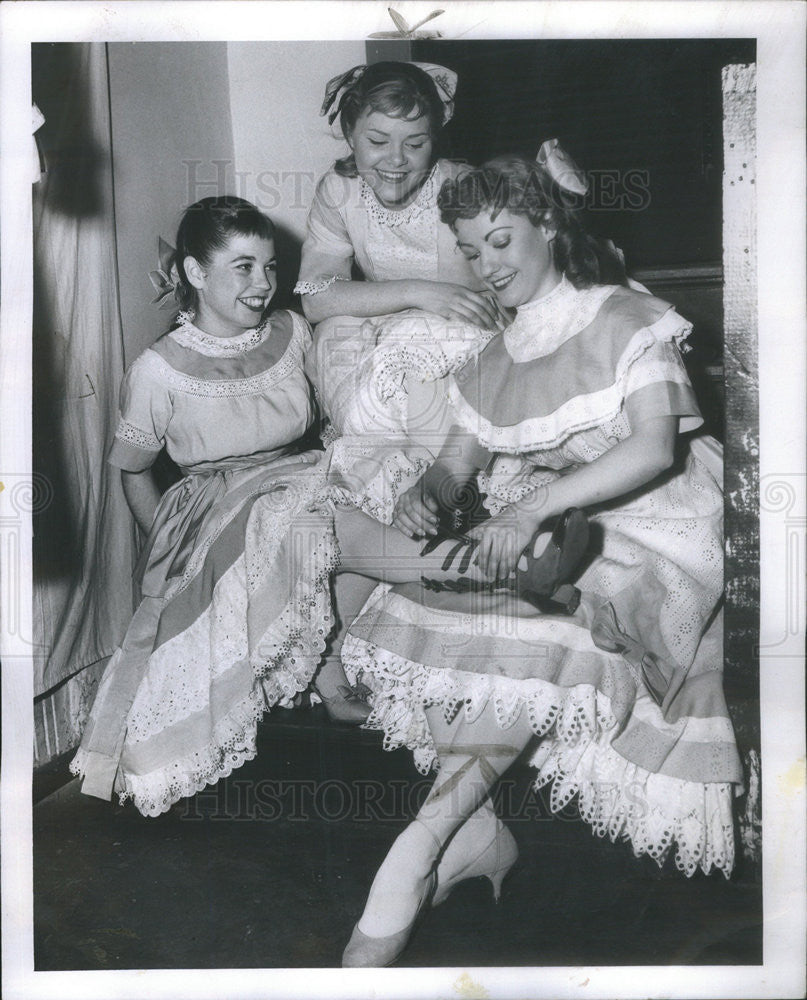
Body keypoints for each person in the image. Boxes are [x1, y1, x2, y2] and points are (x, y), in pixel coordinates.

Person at [337, 153, 744, 967]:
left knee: (539, 614)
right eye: (472, 252)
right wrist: (430, 486)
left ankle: (418, 853)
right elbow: (459, 457)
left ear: (548, 225)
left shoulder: (626, 316)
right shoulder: (496, 349)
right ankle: (461, 835)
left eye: (500, 241)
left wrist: (530, 506)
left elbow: (654, 450)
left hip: (653, 522)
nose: (488, 267)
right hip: (556, 526)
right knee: (449, 588)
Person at [70, 194, 581, 818]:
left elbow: (332, 296)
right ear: (195, 275)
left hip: (298, 478)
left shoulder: (287, 329)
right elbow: (130, 471)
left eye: (269, 266)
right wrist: (173, 555)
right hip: (216, 507)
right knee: (318, 514)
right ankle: (491, 570)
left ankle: (340, 664)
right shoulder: (159, 368)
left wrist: (427, 294)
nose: (263, 283)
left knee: (366, 485)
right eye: (243, 268)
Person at [295, 60, 509, 724]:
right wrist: (417, 289)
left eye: (413, 143)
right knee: (362, 472)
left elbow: (503, 294)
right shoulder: (338, 193)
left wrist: (438, 304)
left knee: (403, 474)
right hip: (387, 348)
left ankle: (451, 533)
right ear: (349, 134)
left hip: (456, 351)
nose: (394, 161)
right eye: (376, 140)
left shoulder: (460, 190)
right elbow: (317, 297)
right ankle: (326, 656)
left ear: (436, 137)